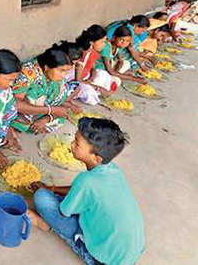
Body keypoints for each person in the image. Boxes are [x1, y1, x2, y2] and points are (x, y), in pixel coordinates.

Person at [27, 118, 145, 265]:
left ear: (96, 158)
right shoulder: (114, 170)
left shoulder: (86, 181)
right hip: (128, 253)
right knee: (75, 200)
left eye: (77, 143)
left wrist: (47, 192)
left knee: (42, 198)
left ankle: (47, 225)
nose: (72, 144)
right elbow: (82, 191)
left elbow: (64, 212)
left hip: (103, 260)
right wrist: (52, 188)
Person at [12, 47, 76, 134]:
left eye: (66, 71)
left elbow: (59, 102)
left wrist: (46, 118)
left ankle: (44, 119)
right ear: (46, 68)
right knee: (20, 121)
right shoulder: (28, 72)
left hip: (44, 110)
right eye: (61, 71)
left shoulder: (57, 80)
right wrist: (51, 110)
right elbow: (16, 104)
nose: (64, 75)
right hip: (24, 111)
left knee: (63, 114)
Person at [71, 25, 116, 106]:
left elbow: (93, 68)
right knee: (90, 95)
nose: (104, 45)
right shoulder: (84, 53)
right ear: (91, 43)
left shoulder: (94, 53)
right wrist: (96, 87)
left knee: (104, 74)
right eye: (102, 42)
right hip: (73, 79)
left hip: (85, 77)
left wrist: (91, 78)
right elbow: (77, 80)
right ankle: (95, 92)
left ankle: (97, 91)